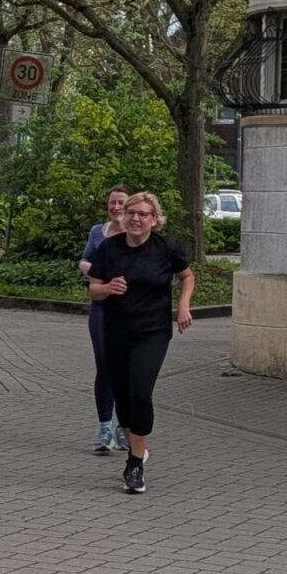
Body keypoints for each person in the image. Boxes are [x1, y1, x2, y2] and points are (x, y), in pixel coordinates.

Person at [88, 192, 194, 494]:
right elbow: (93, 289)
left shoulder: (166, 248)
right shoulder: (110, 248)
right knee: (123, 397)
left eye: (143, 214)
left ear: (154, 220)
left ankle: (135, 463)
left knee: (140, 393)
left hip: (153, 331)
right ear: (124, 216)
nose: (136, 218)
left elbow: (187, 276)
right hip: (117, 331)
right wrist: (108, 288)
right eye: (131, 213)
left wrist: (183, 306)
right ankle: (135, 445)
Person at [79, 184, 131, 454]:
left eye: (121, 202)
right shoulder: (98, 232)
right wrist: (92, 269)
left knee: (128, 368)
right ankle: (104, 429)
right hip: (101, 306)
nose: (116, 207)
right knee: (105, 365)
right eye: (112, 202)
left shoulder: (137, 234)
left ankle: (125, 427)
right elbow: (85, 260)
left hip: (130, 310)